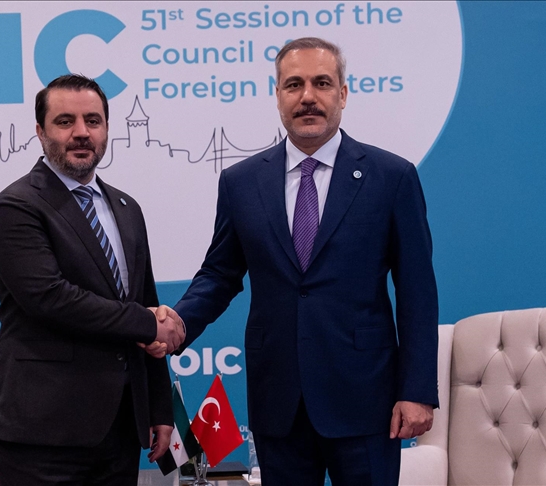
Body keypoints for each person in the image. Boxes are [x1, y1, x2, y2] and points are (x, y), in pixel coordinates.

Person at [166, 37, 439, 485]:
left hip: (365, 400)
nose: (307, 96)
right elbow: (220, 273)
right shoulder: (241, 182)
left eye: (322, 83)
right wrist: (178, 322)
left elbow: (417, 291)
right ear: (278, 95)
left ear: (343, 94)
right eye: (294, 85)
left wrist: (417, 391)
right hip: (280, 402)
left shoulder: (392, 177)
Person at [0, 74, 185, 486]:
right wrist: (147, 323)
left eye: (93, 120)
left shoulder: (126, 208)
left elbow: (146, 303)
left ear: (106, 128)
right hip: (42, 430)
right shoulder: (16, 206)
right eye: (65, 121)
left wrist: (160, 408)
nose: (81, 133)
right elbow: (49, 297)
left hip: (119, 429)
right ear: (40, 131)